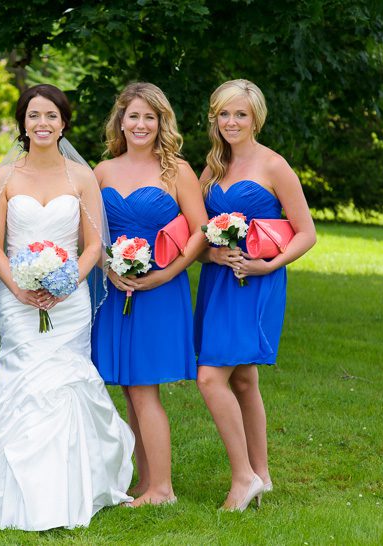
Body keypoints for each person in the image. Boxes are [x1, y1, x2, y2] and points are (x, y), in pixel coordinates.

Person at [0, 84, 134, 531]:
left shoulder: (81, 177)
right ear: (23, 124)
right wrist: (18, 288)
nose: (42, 123)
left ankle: (74, 485)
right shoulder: (6, 177)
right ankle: (5, 483)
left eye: (50, 115)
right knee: (22, 378)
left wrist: (66, 284)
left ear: (63, 123)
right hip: (18, 297)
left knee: (67, 382)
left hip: (70, 301)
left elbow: (93, 246)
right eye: (33, 115)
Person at [193, 79, 316, 511]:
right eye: (224, 114)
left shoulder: (274, 165)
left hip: (257, 280)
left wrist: (269, 264)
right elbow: (196, 233)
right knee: (243, 378)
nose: (231, 122)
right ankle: (261, 475)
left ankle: (242, 477)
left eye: (240, 114)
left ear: (255, 118)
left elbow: (307, 233)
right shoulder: (212, 167)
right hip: (219, 280)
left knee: (210, 378)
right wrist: (211, 254)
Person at [91, 82, 207, 506]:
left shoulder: (177, 171)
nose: (141, 124)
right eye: (133, 116)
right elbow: (91, 233)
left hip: (160, 289)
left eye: (149, 117)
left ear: (161, 122)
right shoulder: (102, 171)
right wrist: (108, 267)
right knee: (128, 386)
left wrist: (166, 275)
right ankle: (145, 481)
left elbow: (200, 231)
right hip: (116, 289)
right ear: (120, 121)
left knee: (144, 388)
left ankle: (162, 489)